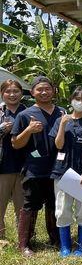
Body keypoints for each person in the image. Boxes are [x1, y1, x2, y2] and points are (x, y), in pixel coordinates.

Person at [12, 76, 64, 256]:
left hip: (57, 168)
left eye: (47, 88)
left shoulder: (62, 113)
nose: (44, 92)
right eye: (39, 89)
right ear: (32, 92)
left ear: (53, 90)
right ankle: (24, 244)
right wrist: (29, 130)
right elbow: (16, 144)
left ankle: (56, 238)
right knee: (30, 205)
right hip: (34, 168)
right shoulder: (25, 115)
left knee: (54, 203)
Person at [49, 87, 82, 257]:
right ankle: (65, 246)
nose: (80, 102)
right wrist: (62, 125)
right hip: (63, 172)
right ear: (71, 100)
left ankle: (81, 245)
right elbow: (58, 145)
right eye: (77, 98)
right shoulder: (61, 120)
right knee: (63, 209)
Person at [0, 80, 26, 241]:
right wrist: (2, 129)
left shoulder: (28, 112)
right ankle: (1, 237)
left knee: (22, 206)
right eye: (8, 91)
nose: (12, 94)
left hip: (24, 166)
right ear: (2, 93)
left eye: (15, 91)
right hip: (2, 165)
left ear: (21, 93)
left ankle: (23, 239)